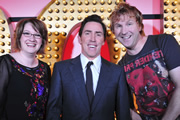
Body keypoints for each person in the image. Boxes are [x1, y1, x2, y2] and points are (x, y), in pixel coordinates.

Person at [46, 14, 131, 120]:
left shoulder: (117, 72)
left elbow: (123, 114)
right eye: (87, 33)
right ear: (80, 39)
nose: (93, 39)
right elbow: (53, 111)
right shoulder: (61, 69)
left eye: (98, 34)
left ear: (104, 40)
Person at [110, 2, 180, 120]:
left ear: (140, 26)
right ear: (113, 32)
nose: (124, 31)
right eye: (118, 26)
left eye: (129, 24)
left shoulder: (164, 42)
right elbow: (127, 108)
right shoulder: (120, 67)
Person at [0, 18, 51, 120]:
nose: (32, 39)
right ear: (19, 37)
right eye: (27, 33)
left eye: (37, 35)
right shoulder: (5, 63)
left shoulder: (45, 68)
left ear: (42, 40)